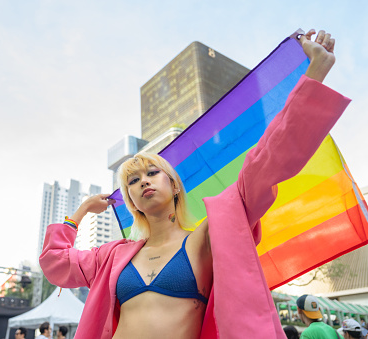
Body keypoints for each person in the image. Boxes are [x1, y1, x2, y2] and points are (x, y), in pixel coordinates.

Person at [40, 29, 350, 339]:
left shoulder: (208, 236)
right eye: (134, 181)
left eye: (153, 173)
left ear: (174, 185)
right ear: (132, 201)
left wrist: (314, 74)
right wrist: (80, 211)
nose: (144, 181)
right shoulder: (111, 255)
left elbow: (264, 164)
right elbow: (56, 265)